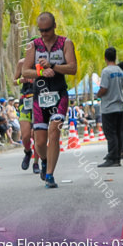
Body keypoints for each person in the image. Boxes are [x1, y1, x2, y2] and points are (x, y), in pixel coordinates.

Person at [21, 12, 78, 189]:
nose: (44, 34)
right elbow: (24, 71)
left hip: (59, 94)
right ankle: (44, 160)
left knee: (54, 132)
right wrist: (40, 72)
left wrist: (53, 66)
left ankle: (50, 175)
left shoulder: (65, 43)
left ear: (54, 27)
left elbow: (73, 68)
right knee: (39, 141)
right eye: (41, 30)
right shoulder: (33, 46)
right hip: (40, 96)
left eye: (47, 30)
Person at [96, 47, 123, 167]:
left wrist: (98, 94)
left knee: (110, 133)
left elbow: (104, 88)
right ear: (115, 57)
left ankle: (112, 157)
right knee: (118, 132)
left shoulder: (106, 71)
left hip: (109, 107)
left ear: (105, 57)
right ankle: (117, 157)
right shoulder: (121, 71)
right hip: (120, 106)